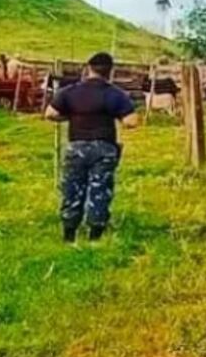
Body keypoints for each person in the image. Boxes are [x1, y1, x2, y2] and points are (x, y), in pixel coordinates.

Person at [45, 53, 137, 244]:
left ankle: (69, 234)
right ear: (110, 71)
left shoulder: (70, 91)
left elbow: (50, 113)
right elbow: (131, 122)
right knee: (100, 189)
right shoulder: (115, 94)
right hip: (104, 148)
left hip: (76, 146)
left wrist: (69, 117)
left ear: (88, 68)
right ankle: (95, 235)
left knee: (72, 187)